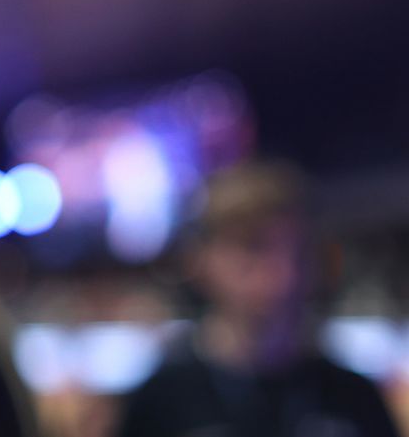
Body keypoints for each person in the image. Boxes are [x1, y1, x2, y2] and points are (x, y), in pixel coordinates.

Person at [114, 161, 400, 437]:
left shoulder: (353, 397)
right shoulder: (162, 399)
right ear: (201, 259)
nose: (283, 271)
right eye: (254, 247)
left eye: (298, 250)